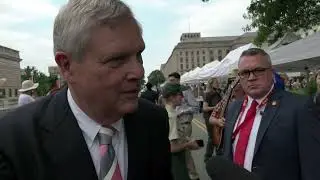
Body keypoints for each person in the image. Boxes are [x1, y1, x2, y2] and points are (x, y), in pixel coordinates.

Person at [0, 1, 172, 180]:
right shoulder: (14, 141)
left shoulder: (154, 121)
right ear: (66, 66)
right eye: (117, 59)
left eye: (138, 55)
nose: (138, 71)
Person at [209, 48, 320, 180]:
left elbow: (313, 167)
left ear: (271, 72)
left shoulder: (300, 107)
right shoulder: (233, 107)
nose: (251, 77)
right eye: (245, 73)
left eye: (258, 70)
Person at [162, 83, 201, 180]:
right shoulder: (172, 116)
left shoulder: (167, 112)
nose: (182, 97)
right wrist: (189, 144)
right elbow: (172, 147)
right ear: (172, 97)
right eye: (180, 94)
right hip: (177, 160)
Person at [202, 77, 222, 162]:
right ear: (211, 84)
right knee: (212, 137)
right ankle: (208, 157)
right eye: (216, 82)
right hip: (209, 118)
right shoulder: (208, 94)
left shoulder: (218, 93)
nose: (218, 83)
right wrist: (215, 107)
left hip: (217, 118)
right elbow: (205, 108)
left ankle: (219, 154)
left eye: (218, 82)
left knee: (218, 136)